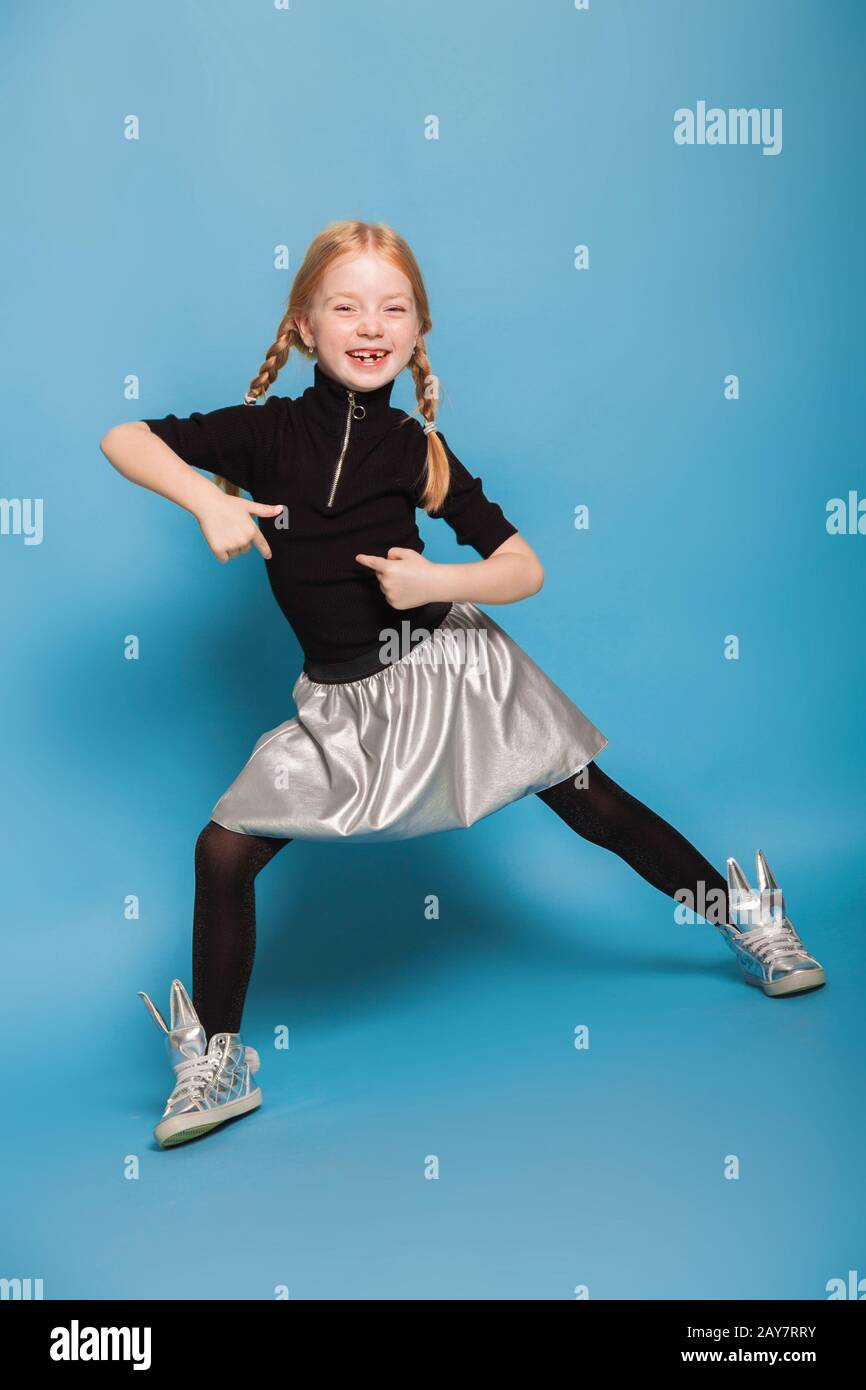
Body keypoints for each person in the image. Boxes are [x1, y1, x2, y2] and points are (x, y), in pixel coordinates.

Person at [100, 220, 825, 1149]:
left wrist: (438, 582)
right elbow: (127, 436)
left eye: (393, 307)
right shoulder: (264, 434)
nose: (371, 323)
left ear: (418, 330)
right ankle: (219, 1060)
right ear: (305, 326)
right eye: (346, 305)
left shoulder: (416, 447)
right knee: (223, 851)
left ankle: (747, 915)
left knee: (588, 801)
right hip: (343, 705)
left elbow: (523, 568)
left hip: (449, 672)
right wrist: (206, 498)